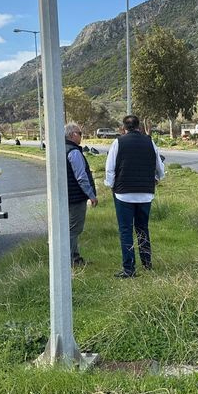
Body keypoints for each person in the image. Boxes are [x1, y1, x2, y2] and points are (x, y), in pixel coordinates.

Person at [104, 114, 166, 278]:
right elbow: (159, 166)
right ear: (139, 127)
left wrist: (111, 185)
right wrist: (157, 178)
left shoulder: (118, 142)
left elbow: (110, 168)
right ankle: (147, 263)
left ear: (123, 128)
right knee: (142, 228)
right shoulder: (149, 142)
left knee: (126, 230)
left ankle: (129, 268)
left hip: (123, 193)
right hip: (145, 193)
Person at [64, 123, 97, 267]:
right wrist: (91, 195)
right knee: (74, 229)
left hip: (66, 196)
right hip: (76, 197)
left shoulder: (62, 149)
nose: (81, 136)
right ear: (73, 135)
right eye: (80, 133)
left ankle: (75, 258)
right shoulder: (74, 152)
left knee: (69, 228)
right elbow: (81, 177)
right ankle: (71, 260)